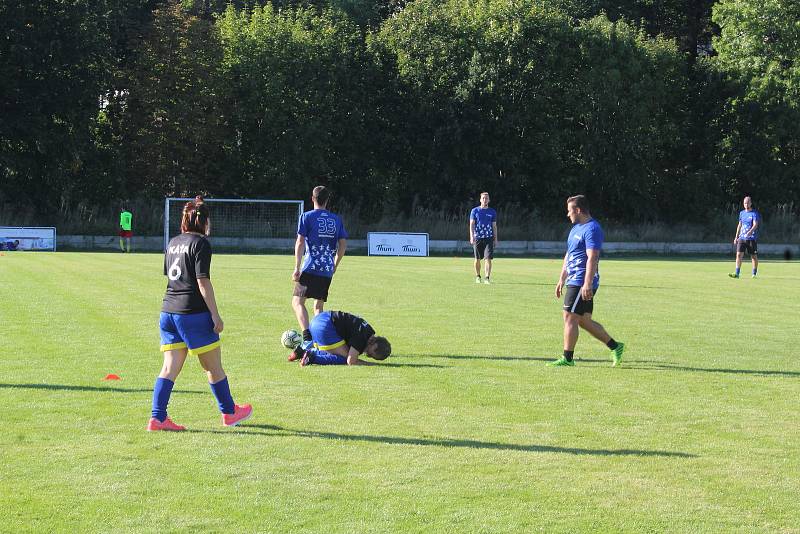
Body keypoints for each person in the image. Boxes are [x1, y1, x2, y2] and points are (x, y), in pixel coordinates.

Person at [148, 196, 252, 431]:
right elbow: (202, 281)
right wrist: (215, 315)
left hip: (168, 312)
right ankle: (230, 413)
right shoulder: (201, 243)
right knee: (213, 367)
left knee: (169, 368)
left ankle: (157, 417)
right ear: (205, 221)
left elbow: (172, 276)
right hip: (192, 313)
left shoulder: (173, 242)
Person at [549, 195, 624, 367]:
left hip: (581, 280)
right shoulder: (575, 229)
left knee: (569, 316)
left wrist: (587, 283)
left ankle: (567, 359)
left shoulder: (592, 229)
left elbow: (593, 257)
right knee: (583, 320)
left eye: (569, 211)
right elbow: (569, 255)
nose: (568, 214)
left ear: (578, 210)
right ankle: (616, 346)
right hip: (573, 279)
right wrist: (561, 278)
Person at [290, 186, 348, 359]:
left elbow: (300, 242)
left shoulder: (306, 216)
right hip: (326, 270)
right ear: (327, 200)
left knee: (297, 302)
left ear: (312, 198)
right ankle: (321, 341)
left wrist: (297, 267)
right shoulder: (336, 219)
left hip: (310, 267)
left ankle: (307, 338)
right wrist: (335, 264)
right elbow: (343, 244)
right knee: (318, 306)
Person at [289, 310, 391, 366]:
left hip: (319, 319)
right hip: (325, 326)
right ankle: (312, 358)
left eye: (370, 356)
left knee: (336, 351)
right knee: (345, 358)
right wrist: (371, 364)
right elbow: (351, 361)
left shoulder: (369, 330)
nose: (367, 354)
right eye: (370, 352)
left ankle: (302, 352)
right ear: (372, 341)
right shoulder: (362, 338)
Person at [469, 192, 498, 284]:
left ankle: (487, 278)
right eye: (483, 198)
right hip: (477, 238)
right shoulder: (475, 211)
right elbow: (471, 224)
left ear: (489, 200)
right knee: (477, 259)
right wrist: (471, 236)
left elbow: (494, 226)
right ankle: (478, 276)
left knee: (488, 258)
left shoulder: (492, 212)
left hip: (489, 238)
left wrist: (495, 239)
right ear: (480, 200)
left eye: (486, 198)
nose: (485, 200)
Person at [729, 196, 760, 278]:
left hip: (751, 238)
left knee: (753, 256)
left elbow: (755, 224)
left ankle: (754, 273)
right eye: (745, 203)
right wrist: (736, 237)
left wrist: (750, 231)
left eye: (747, 203)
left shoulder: (754, 213)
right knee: (738, 255)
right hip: (741, 238)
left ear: (751, 203)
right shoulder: (742, 213)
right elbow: (739, 225)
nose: (746, 204)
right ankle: (737, 273)